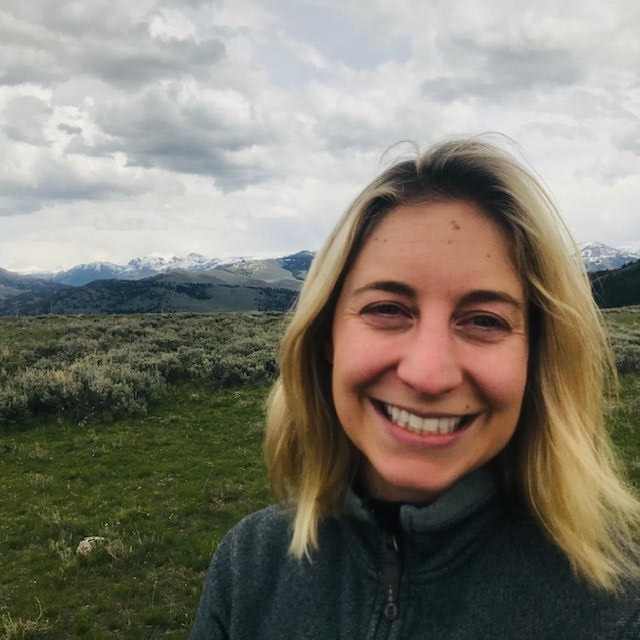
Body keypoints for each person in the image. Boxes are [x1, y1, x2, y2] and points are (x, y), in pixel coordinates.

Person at [190, 137, 640, 639]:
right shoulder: (250, 567)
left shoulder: (617, 607)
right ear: (325, 338)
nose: (428, 375)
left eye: (485, 320)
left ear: (537, 357)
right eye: (387, 309)